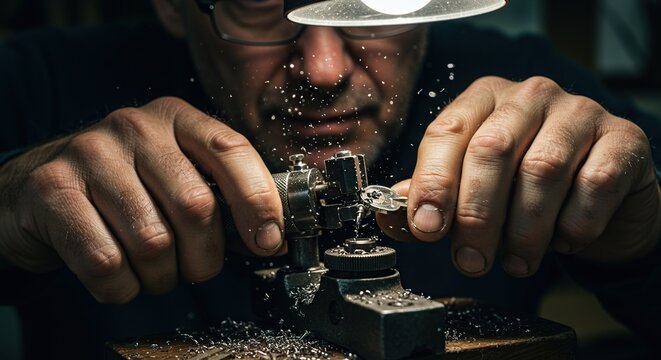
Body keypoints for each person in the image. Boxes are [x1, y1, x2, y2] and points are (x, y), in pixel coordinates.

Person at [1, 0, 659, 358]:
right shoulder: (37, 80)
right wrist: (10, 213)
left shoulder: (529, 83)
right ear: (174, 6)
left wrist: (642, 242)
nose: (323, 70)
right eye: (262, 6)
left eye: (369, 3)